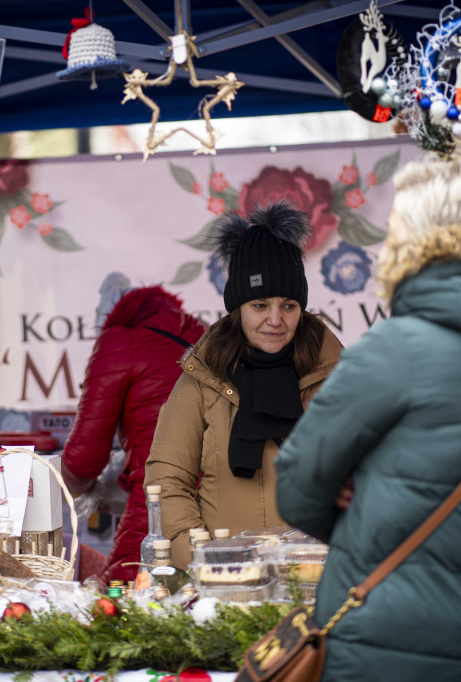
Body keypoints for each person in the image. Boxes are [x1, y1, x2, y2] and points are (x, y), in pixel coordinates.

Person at [275, 159, 461, 681]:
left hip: (389, 643)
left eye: (396, 230)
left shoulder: (395, 347)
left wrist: (364, 516)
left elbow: (297, 484)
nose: (386, 245)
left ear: (421, 241)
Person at [145, 201, 343, 568]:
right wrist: (203, 559)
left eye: (288, 305)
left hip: (315, 580)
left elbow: (368, 478)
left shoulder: (338, 380)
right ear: (237, 310)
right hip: (220, 585)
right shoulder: (202, 380)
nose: (275, 319)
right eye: (260, 305)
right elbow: (168, 479)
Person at [61, 284, 205, 584]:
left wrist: (74, 485)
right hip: (222, 503)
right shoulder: (211, 339)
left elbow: (83, 460)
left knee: (121, 605)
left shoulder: (121, 340)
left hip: (157, 505)